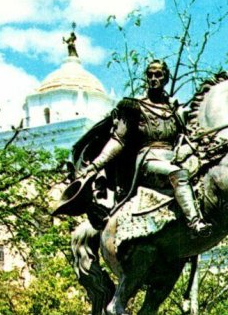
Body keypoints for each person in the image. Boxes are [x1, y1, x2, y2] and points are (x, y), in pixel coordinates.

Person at [75, 59, 212, 236]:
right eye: (150, 75)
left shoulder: (174, 109)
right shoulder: (133, 106)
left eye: (158, 75)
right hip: (147, 159)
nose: (153, 79)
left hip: (173, 156)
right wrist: (95, 165)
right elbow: (118, 140)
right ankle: (195, 224)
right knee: (178, 174)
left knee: (211, 173)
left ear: (166, 78)